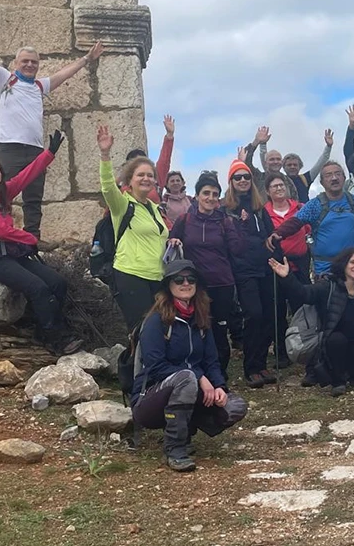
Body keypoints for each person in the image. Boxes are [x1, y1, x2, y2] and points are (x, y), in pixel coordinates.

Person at [0, 15, 102, 239]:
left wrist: (87, 58)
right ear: (16, 64)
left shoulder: (40, 86)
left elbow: (65, 73)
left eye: (34, 62)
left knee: (33, 198)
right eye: (25, 61)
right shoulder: (4, 80)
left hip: (33, 149)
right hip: (7, 147)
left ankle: (32, 239)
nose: (30, 65)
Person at [0, 131, 80, 356]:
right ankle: (54, 338)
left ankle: (41, 327)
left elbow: (28, 175)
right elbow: (0, 230)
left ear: (1, 176)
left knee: (57, 283)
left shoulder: (2, 194)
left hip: (10, 254)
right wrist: (30, 238)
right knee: (38, 287)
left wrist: (49, 154)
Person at [130, 259, 249, 472]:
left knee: (235, 406)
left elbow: (211, 361)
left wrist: (219, 386)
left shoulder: (201, 319)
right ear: (168, 285)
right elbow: (155, 366)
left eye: (191, 279)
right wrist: (199, 377)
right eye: (178, 279)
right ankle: (175, 447)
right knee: (186, 378)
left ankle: (185, 429)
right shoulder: (156, 321)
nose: (185, 283)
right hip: (149, 399)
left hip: (189, 391)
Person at [269, 249, 354, 397]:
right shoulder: (328, 286)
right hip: (335, 344)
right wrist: (287, 277)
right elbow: (304, 294)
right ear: (343, 264)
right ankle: (338, 381)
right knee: (336, 340)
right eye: (353, 262)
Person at [168, 172, 243, 385]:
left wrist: (240, 227)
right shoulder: (185, 219)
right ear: (197, 196)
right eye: (206, 193)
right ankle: (198, 372)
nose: (211, 198)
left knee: (219, 330)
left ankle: (220, 375)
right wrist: (172, 240)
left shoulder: (225, 221)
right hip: (193, 285)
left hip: (222, 284)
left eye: (215, 194)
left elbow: (237, 250)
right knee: (198, 328)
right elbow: (172, 239)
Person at [98, 125, 168, 332]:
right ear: (130, 180)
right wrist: (104, 154)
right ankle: (134, 365)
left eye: (150, 175)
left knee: (159, 330)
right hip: (131, 275)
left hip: (158, 276)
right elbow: (107, 186)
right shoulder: (122, 205)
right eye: (140, 175)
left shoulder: (155, 209)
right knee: (142, 330)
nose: (146, 179)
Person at [268, 161, 354, 277]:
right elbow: (296, 222)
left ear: (344, 178)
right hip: (325, 269)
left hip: (353, 268)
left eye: (338, 174)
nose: (334, 178)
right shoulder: (315, 205)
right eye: (328, 175)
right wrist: (278, 233)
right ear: (322, 182)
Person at [223, 159, 277, 389]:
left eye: (246, 177)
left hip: (264, 267)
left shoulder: (258, 208)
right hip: (243, 270)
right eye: (238, 177)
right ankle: (251, 367)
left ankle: (261, 363)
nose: (243, 180)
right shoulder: (226, 209)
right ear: (231, 182)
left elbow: (270, 235)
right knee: (253, 315)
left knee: (267, 316)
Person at [263, 172, 306, 368]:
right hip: (276, 267)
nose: (279, 188)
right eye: (274, 186)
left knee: (302, 309)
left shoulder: (301, 208)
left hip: (300, 266)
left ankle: (305, 347)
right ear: (267, 191)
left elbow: (308, 231)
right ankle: (282, 352)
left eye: (281, 185)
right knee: (277, 311)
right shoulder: (263, 212)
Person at [281, 129, 335, 202]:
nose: (292, 167)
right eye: (289, 165)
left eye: (295, 165)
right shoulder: (279, 180)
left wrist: (328, 146)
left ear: (300, 166)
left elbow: (321, 162)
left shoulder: (305, 179)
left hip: (304, 211)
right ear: (284, 167)